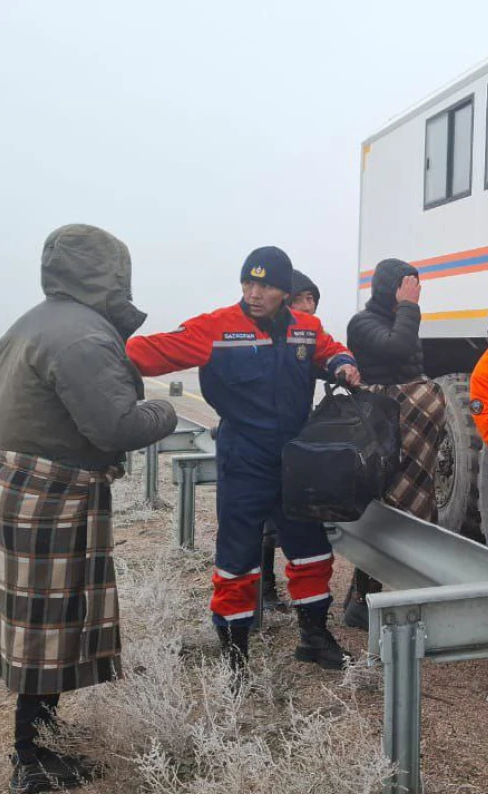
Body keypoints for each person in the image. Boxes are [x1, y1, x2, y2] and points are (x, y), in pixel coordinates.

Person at [0, 225, 178, 793]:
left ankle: (43, 742)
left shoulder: (34, 321)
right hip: (54, 496)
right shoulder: (82, 337)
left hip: (28, 486)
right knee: (47, 625)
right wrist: (166, 411)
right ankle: (32, 759)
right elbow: (114, 425)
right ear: (108, 273)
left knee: (44, 622)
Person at [126, 247, 361, 678]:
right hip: (244, 455)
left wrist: (343, 364)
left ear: (284, 291)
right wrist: (100, 347)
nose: (253, 293)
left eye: (265, 285)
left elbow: (330, 350)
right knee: (237, 555)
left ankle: (314, 637)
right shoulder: (216, 327)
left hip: (294, 457)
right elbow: (150, 352)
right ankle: (235, 655)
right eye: (247, 284)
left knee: (310, 550)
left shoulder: (305, 329)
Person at [342, 258, 446, 629]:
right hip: (387, 426)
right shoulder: (364, 322)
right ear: (393, 288)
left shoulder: (400, 316)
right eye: (409, 285)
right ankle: (362, 599)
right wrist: (409, 307)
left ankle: (407, 595)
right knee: (384, 505)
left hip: (415, 434)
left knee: (419, 504)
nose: (416, 291)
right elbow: (397, 350)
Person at [259, 267, 322, 613]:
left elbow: (328, 360)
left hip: (294, 436)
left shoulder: (309, 337)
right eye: (301, 298)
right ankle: (263, 589)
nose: (309, 305)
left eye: (312, 298)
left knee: (289, 512)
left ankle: (296, 593)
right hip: (260, 437)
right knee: (264, 517)